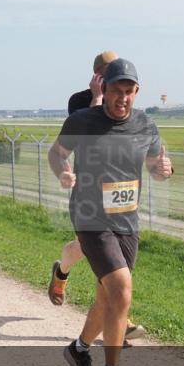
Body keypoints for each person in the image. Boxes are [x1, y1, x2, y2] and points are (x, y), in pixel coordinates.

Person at [48, 58, 173, 366]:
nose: (122, 98)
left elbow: (155, 167)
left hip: (127, 221)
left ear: (137, 92)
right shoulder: (83, 121)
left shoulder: (146, 126)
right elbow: (57, 153)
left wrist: (165, 169)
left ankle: (79, 349)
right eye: (116, 90)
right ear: (104, 89)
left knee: (108, 299)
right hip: (89, 217)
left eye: (129, 91)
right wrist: (62, 172)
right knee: (121, 289)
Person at [49, 51, 146, 341]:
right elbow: (85, 131)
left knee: (105, 269)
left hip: (119, 203)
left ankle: (115, 321)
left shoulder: (127, 109)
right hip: (89, 198)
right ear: (98, 77)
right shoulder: (80, 101)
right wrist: (96, 97)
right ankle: (64, 274)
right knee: (98, 261)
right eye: (108, 75)